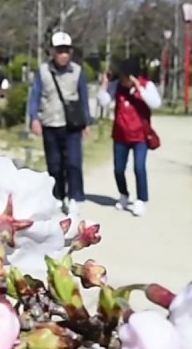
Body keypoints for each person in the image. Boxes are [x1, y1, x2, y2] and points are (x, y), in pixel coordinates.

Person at [28, 32, 92, 220]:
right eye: (60, 51)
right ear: (53, 52)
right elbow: (36, 96)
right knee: (54, 164)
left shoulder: (78, 72)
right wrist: (34, 118)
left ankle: (75, 198)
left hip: (72, 124)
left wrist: (87, 122)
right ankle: (58, 196)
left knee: (73, 162)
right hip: (50, 122)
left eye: (66, 51)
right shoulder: (43, 71)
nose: (63, 55)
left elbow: (84, 98)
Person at [97, 59, 162, 217]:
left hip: (140, 136)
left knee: (139, 168)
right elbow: (103, 101)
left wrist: (139, 89)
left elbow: (156, 104)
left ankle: (141, 200)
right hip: (121, 135)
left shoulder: (147, 86)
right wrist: (105, 84)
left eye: (126, 78)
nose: (123, 81)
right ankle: (124, 194)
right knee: (118, 169)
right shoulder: (117, 86)